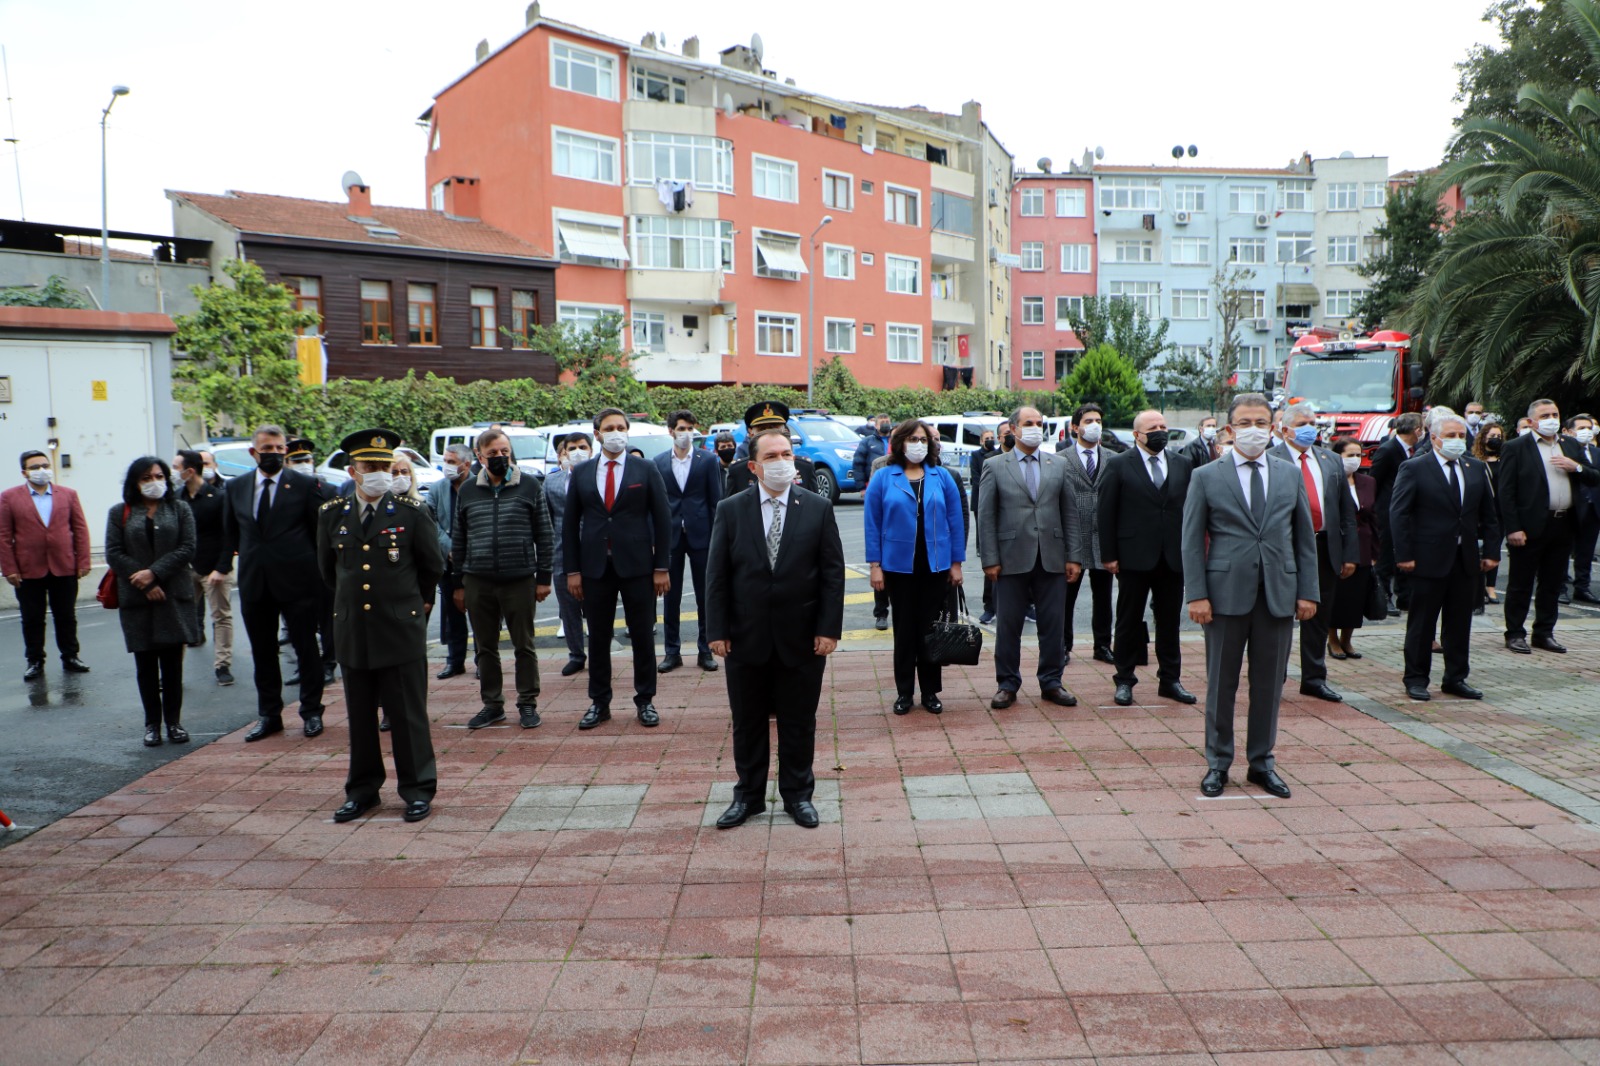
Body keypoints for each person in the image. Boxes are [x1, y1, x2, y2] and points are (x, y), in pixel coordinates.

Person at [706, 423, 844, 828]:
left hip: (802, 637)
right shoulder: (730, 510)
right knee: (747, 722)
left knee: (798, 721)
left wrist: (828, 629)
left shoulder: (817, 508)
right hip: (745, 637)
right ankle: (747, 797)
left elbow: (832, 575)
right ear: (753, 466)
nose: (782, 462)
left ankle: (798, 797)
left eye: (786, 454)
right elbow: (717, 576)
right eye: (771, 456)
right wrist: (717, 630)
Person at [1182, 393, 1318, 799]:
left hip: (1278, 592)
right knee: (1221, 684)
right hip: (1224, 596)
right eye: (1245, 422)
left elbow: (1303, 539)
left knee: (1268, 685)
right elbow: (1191, 541)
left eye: (1261, 421)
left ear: (1274, 426)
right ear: (1229, 429)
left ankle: (1262, 763)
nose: (1254, 429)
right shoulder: (1206, 476)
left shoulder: (1288, 474)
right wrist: (1197, 595)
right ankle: (1218, 764)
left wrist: (1307, 591)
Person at [319, 429, 444, 824]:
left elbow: (431, 568)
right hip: (354, 628)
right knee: (359, 716)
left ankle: (417, 788)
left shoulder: (410, 512)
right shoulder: (332, 513)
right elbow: (328, 572)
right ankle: (363, 790)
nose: (379, 474)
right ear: (353, 471)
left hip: (399, 628)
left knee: (407, 714)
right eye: (370, 467)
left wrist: (414, 607)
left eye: (384, 467)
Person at [209, 424, 327, 742]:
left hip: (299, 581)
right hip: (255, 582)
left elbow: (319, 533)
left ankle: (312, 712)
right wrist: (221, 567)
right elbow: (230, 533)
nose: (274, 453)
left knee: (305, 648)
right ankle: (269, 714)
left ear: (285, 450)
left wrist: (323, 574)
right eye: (267, 448)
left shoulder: (304, 484)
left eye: (279, 448)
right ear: (253, 452)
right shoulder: (236, 489)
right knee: (263, 651)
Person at [565, 408, 672, 730]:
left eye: (621, 427)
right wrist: (573, 571)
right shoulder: (582, 472)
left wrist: (661, 566)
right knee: (598, 637)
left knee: (642, 635)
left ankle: (646, 700)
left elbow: (663, 518)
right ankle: (599, 702)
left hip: (638, 565)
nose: (616, 433)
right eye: (609, 428)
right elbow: (570, 526)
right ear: (596, 433)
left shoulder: (645, 468)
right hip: (595, 567)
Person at [977, 405, 1085, 710]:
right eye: (1029, 423)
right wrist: (989, 559)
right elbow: (986, 517)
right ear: (1013, 429)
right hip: (1010, 559)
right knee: (1008, 626)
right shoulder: (995, 466)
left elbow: (1070, 514)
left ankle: (1052, 681)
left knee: (1053, 624)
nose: (1035, 427)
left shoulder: (1058, 465)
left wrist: (1074, 556)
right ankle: (1007, 684)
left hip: (1052, 557)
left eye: (1039, 422)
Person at [1390, 409, 1501, 702]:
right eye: (1450, 436)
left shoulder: (1475, 468)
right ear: (1435, 438)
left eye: (1461, 435)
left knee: (1459, 623)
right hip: (1427, 558)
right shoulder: (1415, 468)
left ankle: (1455, 678)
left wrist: (1491, 552)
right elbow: (1399, 514)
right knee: (1422, 623)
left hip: (1465, 559)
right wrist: (1404, 554)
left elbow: (1489, 515)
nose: (1456, 440)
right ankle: (1415, 678)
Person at [453, 426, 553, 730]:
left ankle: (527, 702)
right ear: (480, 457)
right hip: (478, 580)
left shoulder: (530, 486)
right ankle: (492, 705)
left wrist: (543, 577)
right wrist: (458, 583)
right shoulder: (468, 490)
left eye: (504, 451)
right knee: (485, 647)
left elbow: (544, 534)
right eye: (493, 453)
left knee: (524, 645)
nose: (499, 457)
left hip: (519, 578)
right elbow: (459, 538)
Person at [864, 419, 965, 715]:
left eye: (922, 439)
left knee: (930, 630)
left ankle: (931, 691)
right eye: (912, 439)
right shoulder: (884, 477)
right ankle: (904, 692)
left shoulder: (942, 476)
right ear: (899, 443)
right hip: (898, 568)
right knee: (905, 631)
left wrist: (956, 563)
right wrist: (875, 565)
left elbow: (955, 522)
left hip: (935, 567)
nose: (918, 444)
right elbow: (872, 524)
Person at [1098, 409, 1196, 707]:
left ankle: (1170, 679)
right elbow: (1106, 513)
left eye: (1163, 426)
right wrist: (1109, 555)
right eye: (1153, 427)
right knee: (1128, 620)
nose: (1160, 431)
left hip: (1173, 557)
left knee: (1169, 621)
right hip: (1133, 557)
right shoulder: (1118, 465)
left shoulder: (1183, 464)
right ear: (1137, 434)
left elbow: (1191, 510)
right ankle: (1125, 679)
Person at [105, 457, 200, 746]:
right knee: (145, 666)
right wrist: (143, 581)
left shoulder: (179, 508)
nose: (154, 482)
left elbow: (187, 547)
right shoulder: (120, 512)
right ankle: (151, 725)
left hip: (173, 596)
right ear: (135, 483)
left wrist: (155, 574)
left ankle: (174, 723)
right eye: (147, 478)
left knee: (172, 666)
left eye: (159, 476)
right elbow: (113, 552)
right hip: (137, 599)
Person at [1269, 402, 1357, 704]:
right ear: (1285, 429)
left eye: (1313, 422)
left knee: (1318, 616)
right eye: (1303, 422)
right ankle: (1273, 677)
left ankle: (1314, 678)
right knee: (1278, 614)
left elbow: (1347, 511)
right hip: (1283, 548)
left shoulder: (1330, 460)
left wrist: (1349, 553)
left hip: (1323, 546)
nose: (1310, 428)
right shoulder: (1269, 459)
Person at [1498, 398, 1600, 654]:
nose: (1551, 419)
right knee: (1521, 583)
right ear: (1532, 421)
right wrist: (1513, 528)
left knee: (1552, 583)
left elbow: (1594, 476)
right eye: (1544, 415)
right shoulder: (1516, 447)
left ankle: (1544, 632)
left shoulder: (1571, 444)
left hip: (1564, 523)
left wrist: (1575, 467)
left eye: (1554, 413)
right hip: (1530, 526)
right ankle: (1515, 633)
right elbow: (1506, 492)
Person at [2, 450, 92, 680]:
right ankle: (34, 660)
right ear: (24, 472)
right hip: (28, 569)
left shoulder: (68, 495)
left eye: (45, 465)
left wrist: (83, 560)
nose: (42, 470)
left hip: (64, 566)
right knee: (32, 618)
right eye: (35, 467)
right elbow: (4, 535)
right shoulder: (9, 498)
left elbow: (80, 529)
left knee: (66, 615)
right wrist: (9, 568)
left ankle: (70, 656)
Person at [655, 410, 724, 674]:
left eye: (690, 428)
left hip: (702, 534)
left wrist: (717, 537)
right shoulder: (659, 462)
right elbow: (655, 505)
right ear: (670, 430)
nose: (687, 433)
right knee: (670, 596)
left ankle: (706, 650)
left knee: (705, 594)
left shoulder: (707, 460)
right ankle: (672, 652)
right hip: (670, 536)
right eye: (682, 428)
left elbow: (715, 500)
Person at [1059, 403, 1114, 666]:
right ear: (1075, 427)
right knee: (1066, 598)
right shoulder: (1061, 459)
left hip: (1104, 538)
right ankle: (1063, 645)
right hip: (1073, 537)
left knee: (1103, 597)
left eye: (1099, 420)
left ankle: (1102, 645)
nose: (1094, 425)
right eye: (1089, 420)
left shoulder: (1113, 458)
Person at [173, 450, 233, 685]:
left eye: (176, 467)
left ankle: (222, 665)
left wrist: (222, 567)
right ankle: (174, 670)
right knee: (181, 618)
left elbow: (229, 535)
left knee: (221, 616)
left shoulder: (217, 497)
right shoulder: (177, 498)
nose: (173, 472)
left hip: (214, 569)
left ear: (189, 471)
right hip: (185, 568)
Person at [284, 438, 338, 688]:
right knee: (299, 622)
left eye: (307, 460)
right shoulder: (283, 492)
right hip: (295, 567)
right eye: (297, 461)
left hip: (322, 564)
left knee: (328, 619)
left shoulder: (327, 490)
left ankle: (329, 664)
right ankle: (306, 666)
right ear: (288, 463)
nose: (304, 465)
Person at [1326, 437, 1380, 661]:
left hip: (1363, 547)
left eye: (1358, 455)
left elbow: (1374, 518)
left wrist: (1376, 552)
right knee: (1336, 596)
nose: (1355, 459)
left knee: (1357, 597)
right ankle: (1332, 639)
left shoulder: (1368, 482)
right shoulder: (1329, 480)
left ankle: (1347, 639)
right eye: (1350, 455)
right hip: (1337, 545)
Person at [543, 434, 589, 677]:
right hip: (562, 553)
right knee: (569, 608)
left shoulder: (599, 477)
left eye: (583, 447)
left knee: (598, 608)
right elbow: (546, 521)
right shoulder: (551, 483)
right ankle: (576, 655)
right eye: (573, 448)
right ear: (564, 453)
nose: (578, 452)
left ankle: (601, 652)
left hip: (595, 552)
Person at [1371, 412, 1425, 614]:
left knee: (1404, 553)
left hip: (1409, 512)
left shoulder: (1415, 450)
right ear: (1417, 430)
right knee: (1385, 556)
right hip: (1386, 512)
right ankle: (1384, 597)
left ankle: (1405, 596)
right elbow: (1375, 480)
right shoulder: (1388, 450)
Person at [427, 444, 472, 680]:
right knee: (452, 614)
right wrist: (450, 547)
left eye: (452, 462)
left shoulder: (480, 485)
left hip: (475, 562)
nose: (447, 466)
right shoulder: (437, 489)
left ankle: (484, 661)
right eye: (445, 460)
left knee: (481, 614)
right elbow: (430, 521)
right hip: (448, 561)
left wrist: (463, 548)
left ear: (467, 464)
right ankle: (455, 661)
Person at [852, 413, 895, 631]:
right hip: (883, 520)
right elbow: (859, 464)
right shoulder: (875, 456)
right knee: (882, 574)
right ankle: (881, 613)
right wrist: (862, 488)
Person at [969, 425, 1008, 624]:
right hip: (996, 519)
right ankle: (990, 607)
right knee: (992, 567)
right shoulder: (990, 460)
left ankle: (1027, 606)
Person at [1564, 414, 1600, 604]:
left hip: (1593, 508)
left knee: (1585, 552)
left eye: (1589, 427)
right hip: (1571, 508)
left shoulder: (1596, 453)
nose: (1587, 431)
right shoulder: (1563, 451)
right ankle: (1560, 586)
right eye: (1581, 428)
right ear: (1569, 432)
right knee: (1563, 549)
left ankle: (1582, 587)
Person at [1472, 419, 1506, 604]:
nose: (1495, 439)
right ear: (1483, 438)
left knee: (1494, 548)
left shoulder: (1507, 459)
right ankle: (1477, 587)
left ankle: (1490, 587)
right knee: (1477, 549)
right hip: (1480, 512)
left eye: (1499, 436)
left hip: (1500, 513)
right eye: (1492, 436)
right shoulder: (1475, 461)